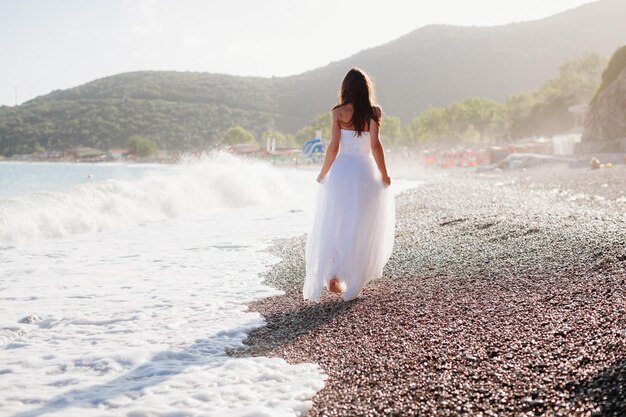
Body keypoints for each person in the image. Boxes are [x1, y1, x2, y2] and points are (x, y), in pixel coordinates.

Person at [303, 68, 395, 302]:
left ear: (345, 89)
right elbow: (375, 146)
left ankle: (334, 273)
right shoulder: (374, 112)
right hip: (364, 172)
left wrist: (323, 173)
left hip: (342, 172)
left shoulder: (338, 112)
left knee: (337, 221)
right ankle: (354, 282)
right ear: (366, 89)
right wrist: (384, 174)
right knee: (362, 225)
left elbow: (333, 146)